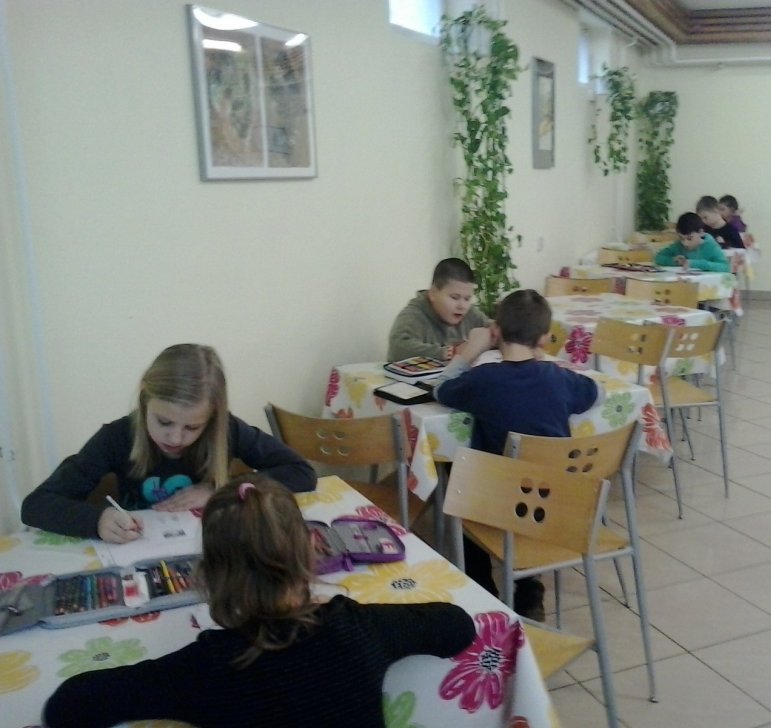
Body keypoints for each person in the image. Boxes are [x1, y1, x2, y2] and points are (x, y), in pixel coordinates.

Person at [42, 476, 475, 728]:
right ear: (311, 552)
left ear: (208, 576)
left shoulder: (206, 667)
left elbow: (67, 706)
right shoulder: (358, 627)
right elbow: (458, 625)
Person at [21, 344, 316, 543]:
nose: (175, 439)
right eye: (164, 422)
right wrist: (97, 520)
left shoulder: (226, 429)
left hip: (215, 551)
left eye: (192, 427)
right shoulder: (116, 437)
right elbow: (36, 505)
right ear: (145, 400)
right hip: (140, 552)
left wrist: (220, 489)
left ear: (212, 417)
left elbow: (301, 472)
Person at [434, 289, 601, 620]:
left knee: (458, 475)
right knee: (524, 474)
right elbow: (599, 393)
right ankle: (529, 591)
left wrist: (469, 352)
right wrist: (544, 360)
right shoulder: (561, 379)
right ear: (544, 338)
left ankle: (483, 590)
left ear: (495, 332)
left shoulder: (483, 380)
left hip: (498, 502)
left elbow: (440, 389)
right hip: (556, 500)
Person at [387, 257, 490, 362]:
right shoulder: (414, 315)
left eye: (467, 299)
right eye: (454, 297)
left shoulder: (470, 313)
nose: (462, 306)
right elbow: (398, 348)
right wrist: (447, 353)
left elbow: (493, 330)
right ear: (433, 293)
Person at [655, 212, 731, 272]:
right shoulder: (678, 245)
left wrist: (697, 264)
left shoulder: (711, 246)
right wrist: (674, 261)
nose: (685, 243)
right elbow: (658, 257)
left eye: (689, 238)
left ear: (701, 232)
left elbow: (725, 267)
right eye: (681, 238)